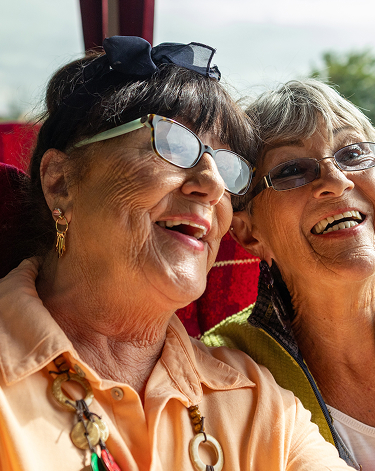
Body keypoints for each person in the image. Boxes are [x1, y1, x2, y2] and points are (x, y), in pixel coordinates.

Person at [0, 40, 351, 471]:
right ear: (60, 182)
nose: (211, 183)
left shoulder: (258, 402)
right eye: (171, 143)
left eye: (227, 166)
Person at [203, 78, 375, 470]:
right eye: (293, 170)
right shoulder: (224, 374)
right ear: (247, 232)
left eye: (352, 153)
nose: (336, 181)